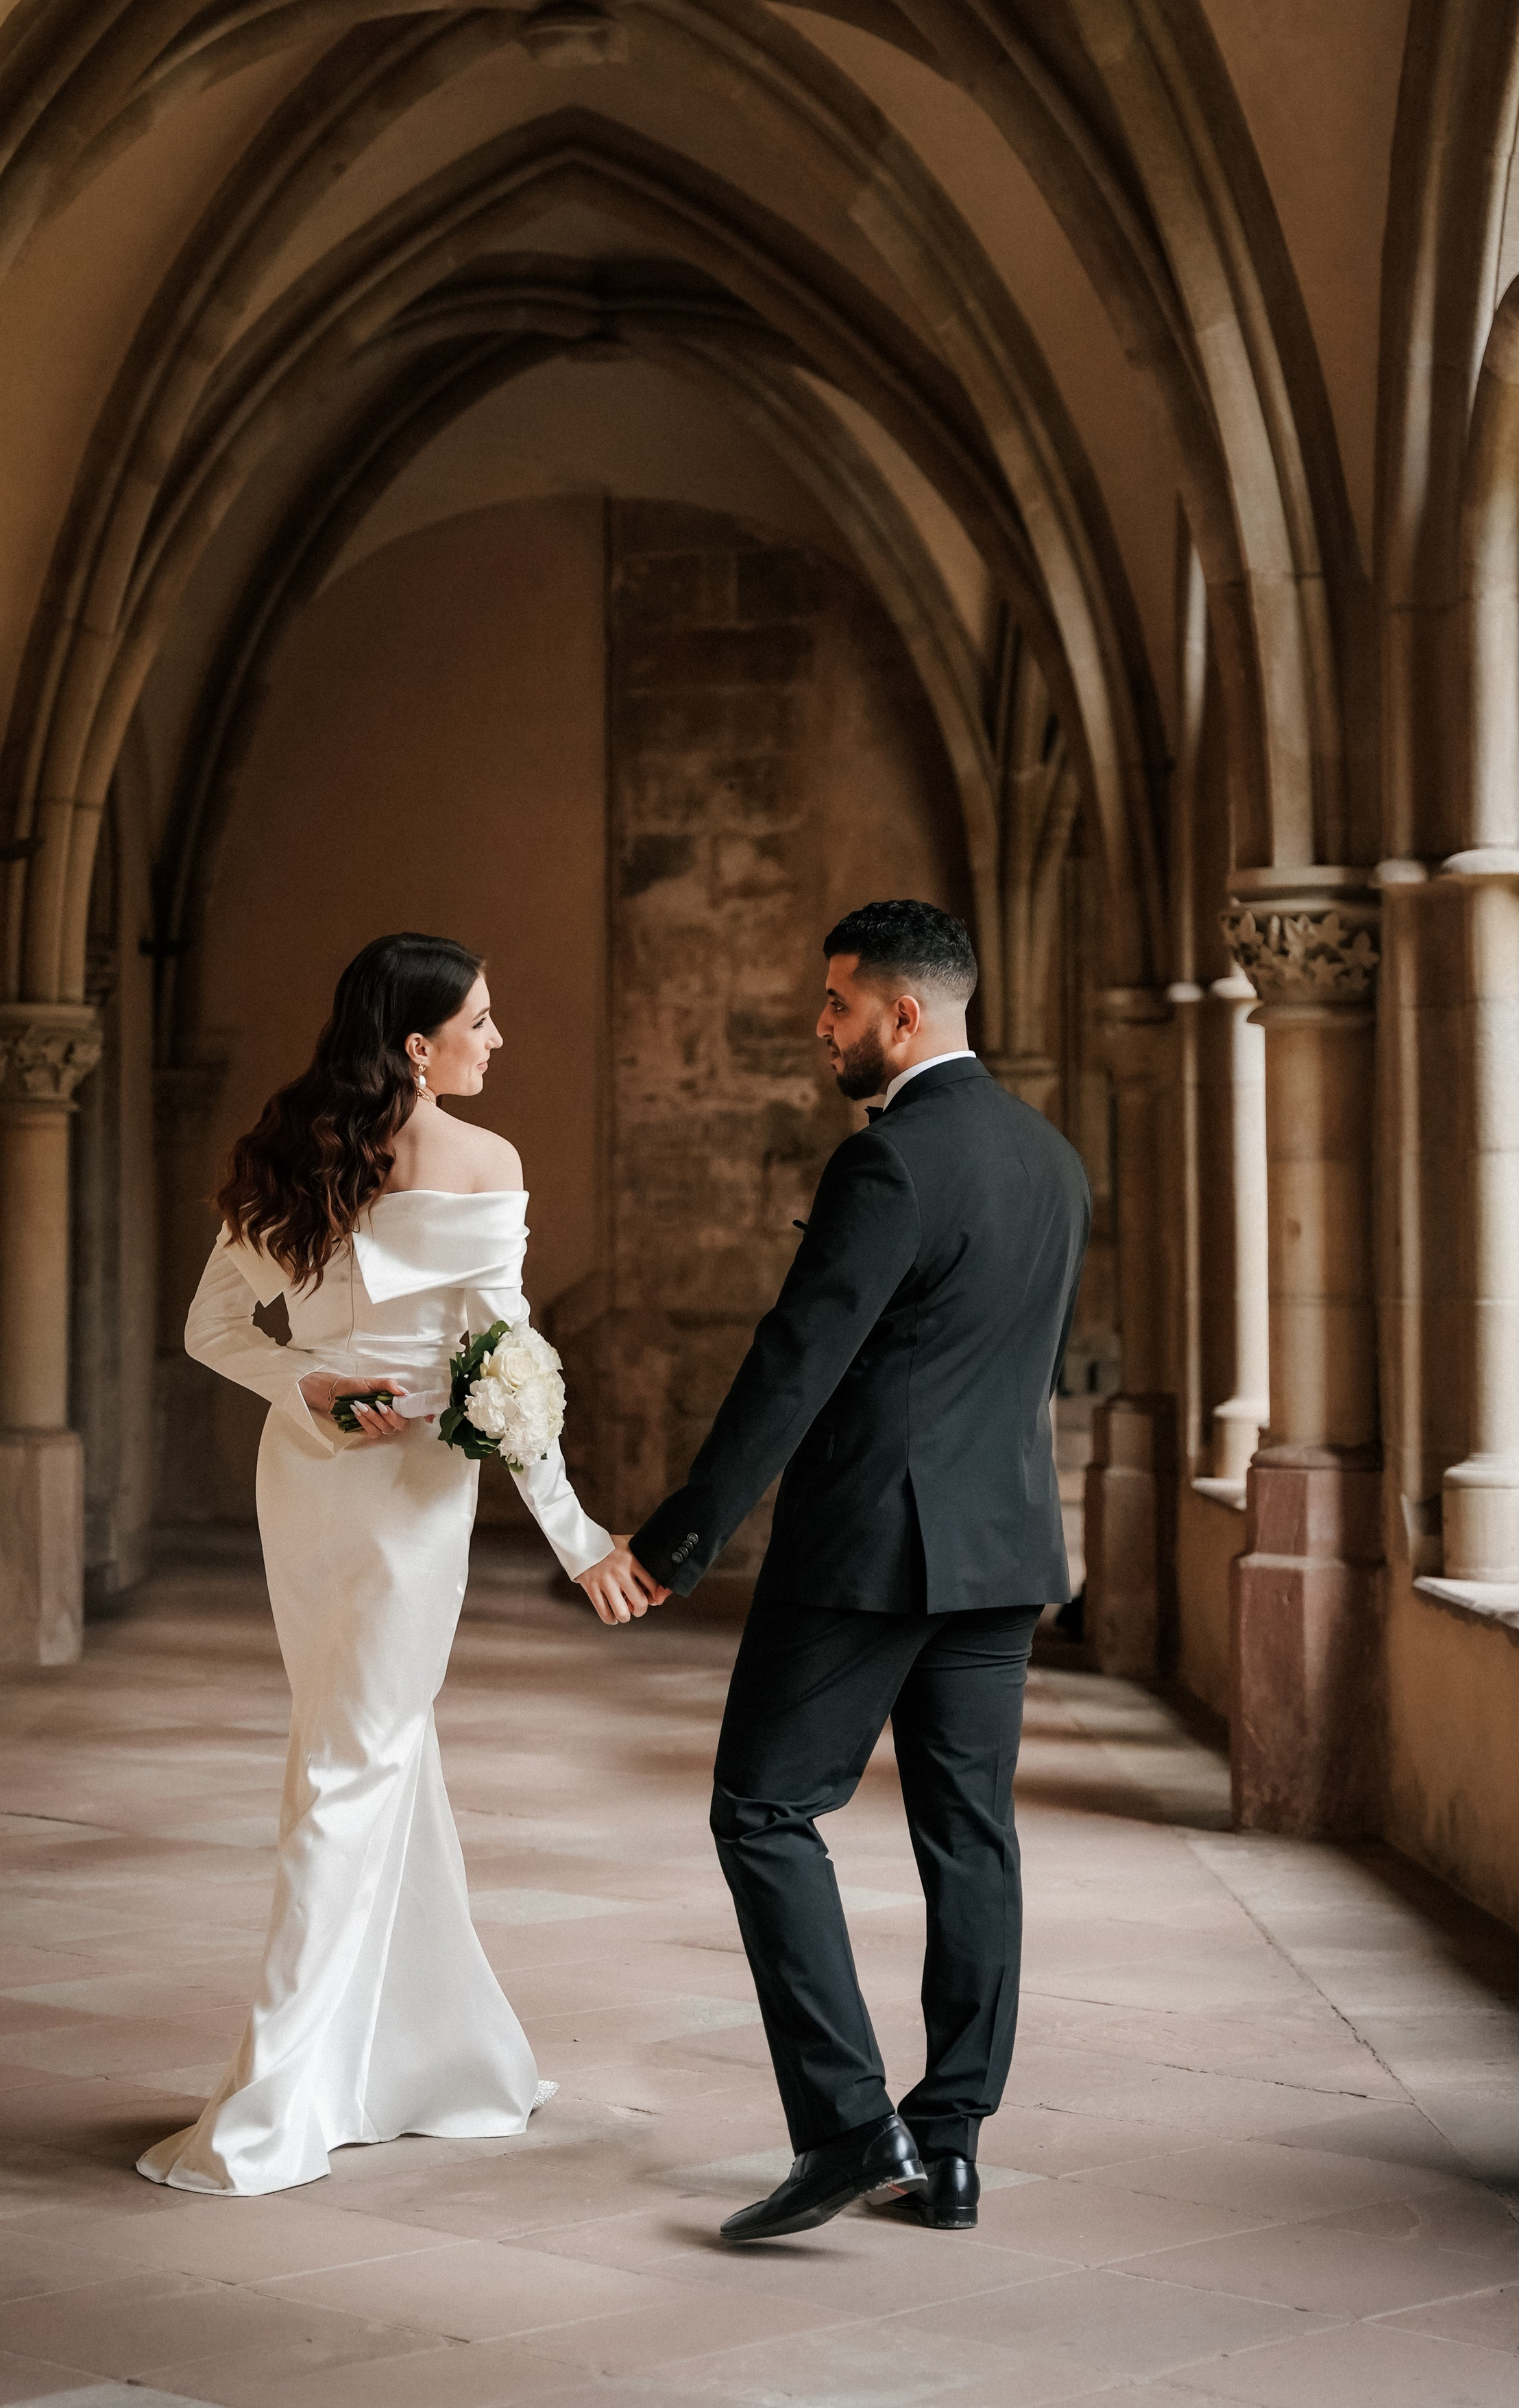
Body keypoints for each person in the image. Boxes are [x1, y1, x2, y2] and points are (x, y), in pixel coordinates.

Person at [138, 933, 664, 2197]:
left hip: (310, 1472)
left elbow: (222, 1333)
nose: (499, 1039)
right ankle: (277, 2103)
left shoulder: (288, 1145)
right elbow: (511, 1371)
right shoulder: (485, 1163)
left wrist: (308, 1380)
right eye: (480, 1020)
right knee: (351, 1759)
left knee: (372, 1743)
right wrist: (580, 1540)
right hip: (404, 1491)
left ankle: (428, 2055)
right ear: (419, 1046)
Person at [629, 900, 1091, 2244]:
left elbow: (795, 1359)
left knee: (761, 1811)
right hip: (1003, 1548)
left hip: (868, 1550)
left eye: (836, 1004)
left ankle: (843, 2126)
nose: (817, 1026)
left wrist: (680, 1535)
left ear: (905, 1015)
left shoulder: (886, 1165)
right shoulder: (1049, 1159)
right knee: (970, 1840)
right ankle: (944, 2151)